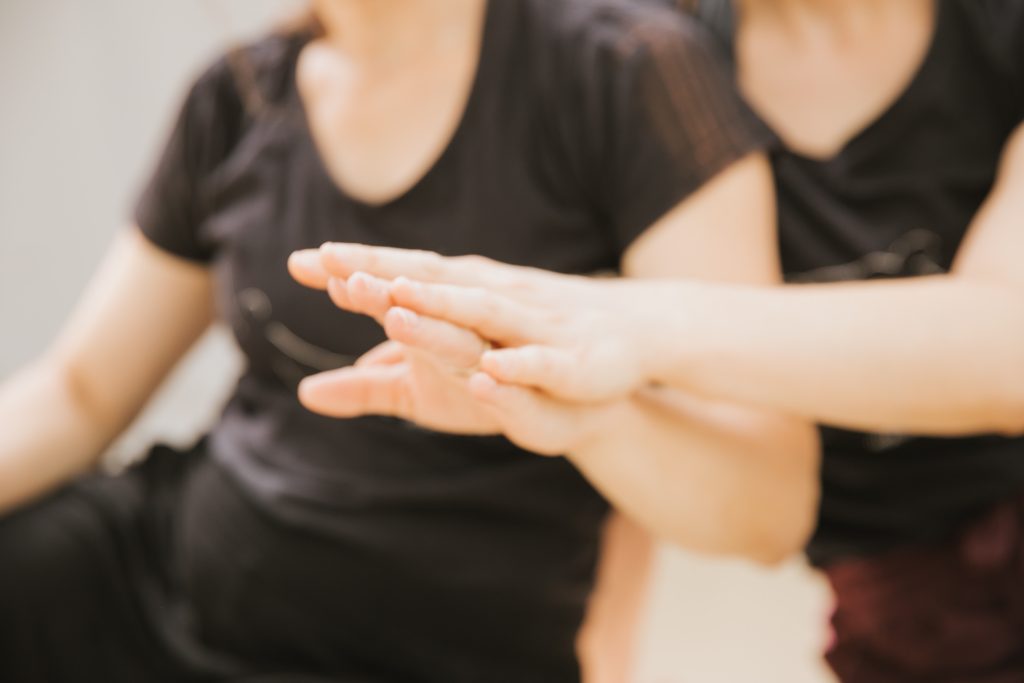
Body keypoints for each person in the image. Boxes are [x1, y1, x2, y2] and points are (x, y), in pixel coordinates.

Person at [0, 0, 818, 681]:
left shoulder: (625, 72)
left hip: (440, 646)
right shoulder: (239, 95)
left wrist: (583, 416)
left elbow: (769, 505)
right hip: (168, 587)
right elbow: (81, 388)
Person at [288, 0, 1024, 681]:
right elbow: (626, 401)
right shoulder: (646, 55)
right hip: (896, 606)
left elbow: (1007, 348)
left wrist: (628, 319)